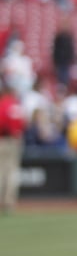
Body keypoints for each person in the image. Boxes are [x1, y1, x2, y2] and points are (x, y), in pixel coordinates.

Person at [0, 76, 25, 213]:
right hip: (14, 139)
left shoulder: (3, 104)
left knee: (2, 171)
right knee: (11, 172)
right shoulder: (16, 104)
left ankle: (3, 201)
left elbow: (2, 123)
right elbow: (22, 123)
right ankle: (9, 203)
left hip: (3, 139)